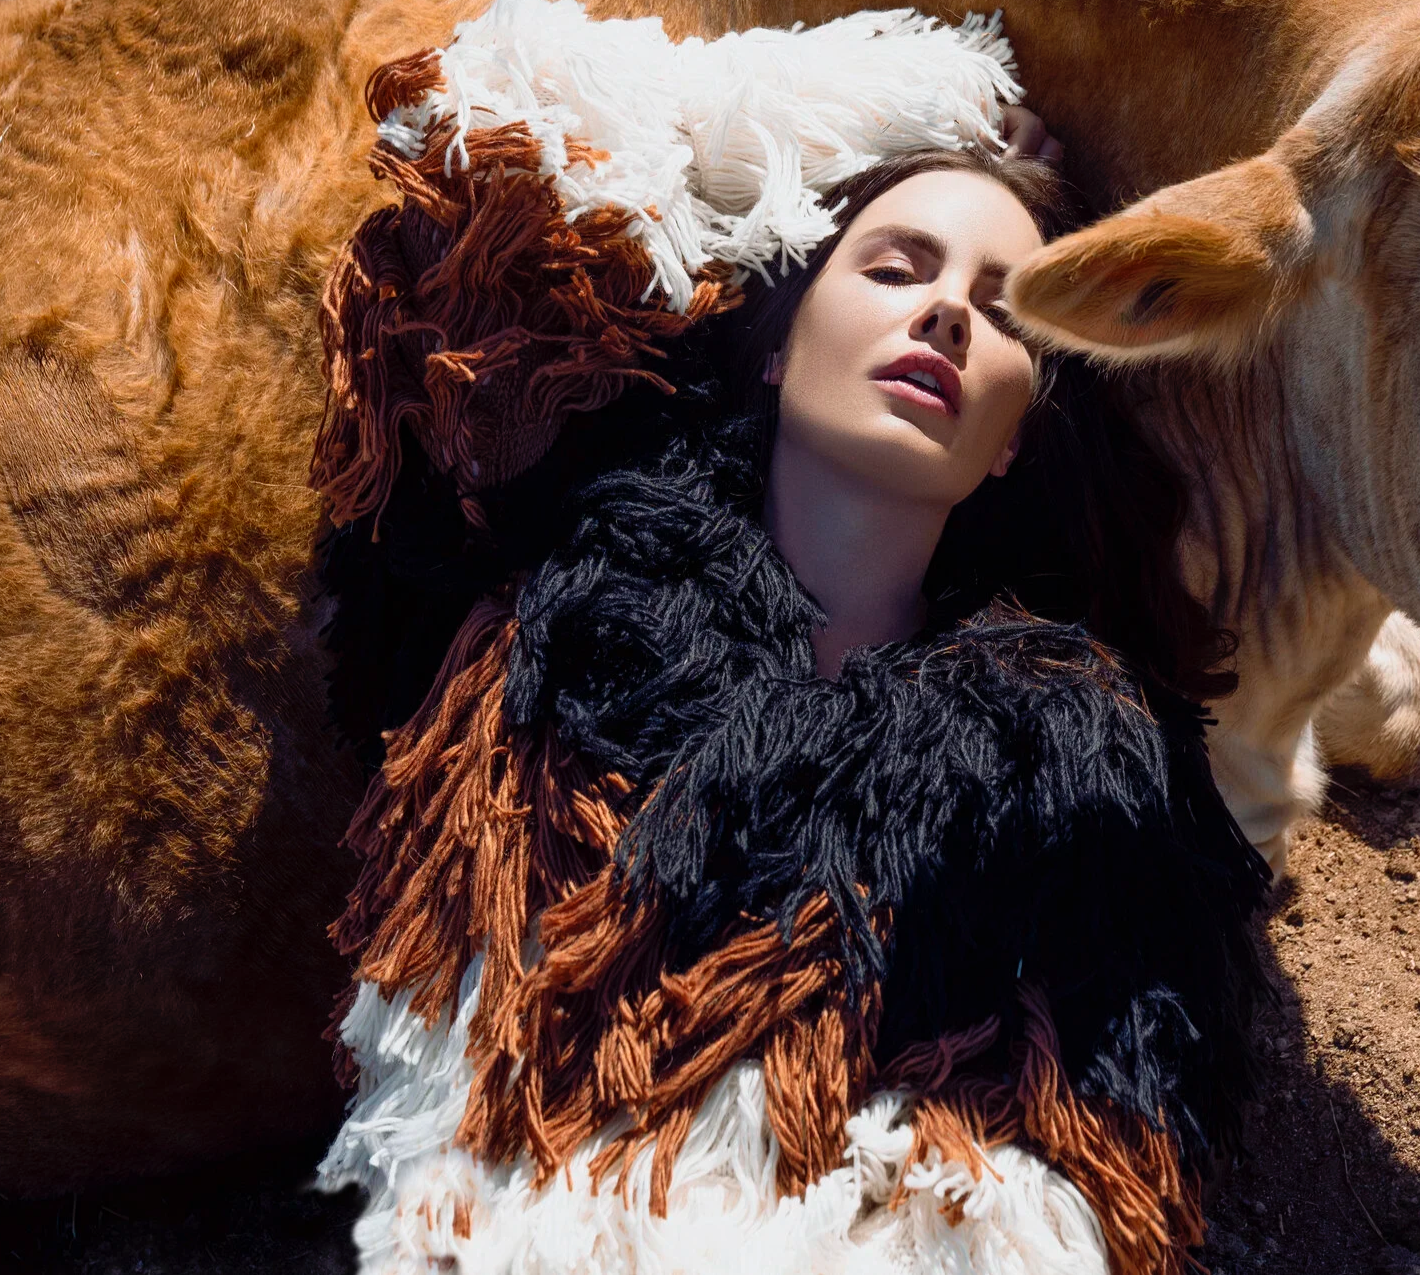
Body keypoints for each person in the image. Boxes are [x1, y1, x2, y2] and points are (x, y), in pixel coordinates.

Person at [321, 109, 1270, 1275]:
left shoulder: (1070, 760)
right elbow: (469, 194)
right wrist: (904, 100)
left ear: (1018, 434)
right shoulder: (579, 605)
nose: (945, 314)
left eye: (1004, 305)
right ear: (777, 344)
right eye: (894, 265)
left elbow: (1086, 1130)